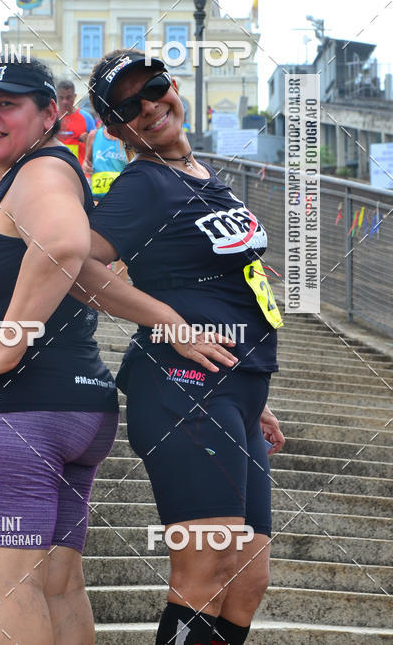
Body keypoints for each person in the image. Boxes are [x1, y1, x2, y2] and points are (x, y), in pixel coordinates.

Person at [70, 50, 285, 645]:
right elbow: (75, 265)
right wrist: (168, 321)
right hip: (180, 390)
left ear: (174, 87)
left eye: (156, 87)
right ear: (115, 129)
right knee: (205, 570)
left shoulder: (203, 178)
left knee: (247, 578)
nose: (149, 105)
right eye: (128, 105)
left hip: (234, 390)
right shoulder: (145, 183)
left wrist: (252, 390)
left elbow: (234, 286)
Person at [0, 58, 119, 644]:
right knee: (58, 585)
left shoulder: (41, 171)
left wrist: (11, 342)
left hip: (15, 416)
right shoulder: (33, 176)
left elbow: (66, 244)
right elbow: (96, 275)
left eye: (5, 104)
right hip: (69, 409)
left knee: (8, 587)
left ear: (49, 114)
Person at [83, 122, 129, 201]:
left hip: (120, 196)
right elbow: (86, 162)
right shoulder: (94, 135)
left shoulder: (128, 138)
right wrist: (86, 166)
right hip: (96, 196)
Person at [56, 79, 95, 165]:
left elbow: (95, 146)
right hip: (56, 167)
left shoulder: (86, 118)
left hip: (79, 170)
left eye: (68, 97)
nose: (64, 101)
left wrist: (87, 140)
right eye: (61, 98)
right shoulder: (51, 118)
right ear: (56, 97)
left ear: (75, 96)